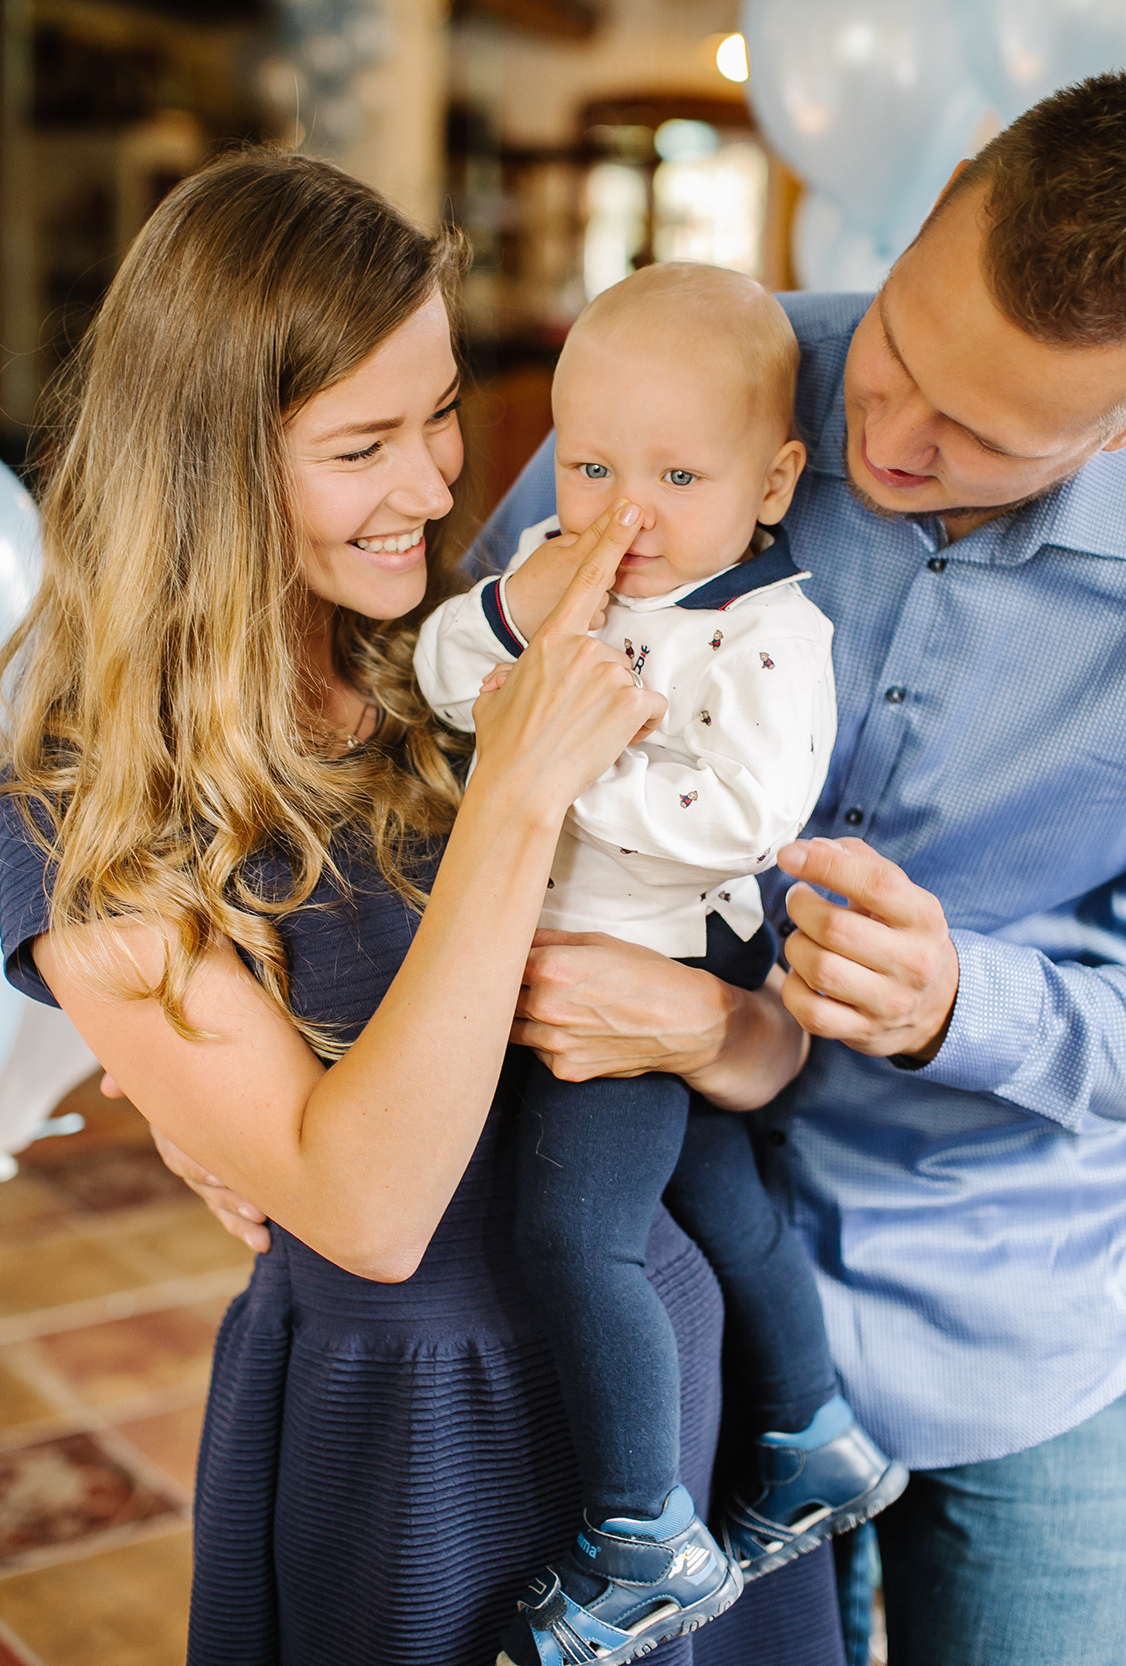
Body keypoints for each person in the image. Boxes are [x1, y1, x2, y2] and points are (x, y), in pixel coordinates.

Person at [0, 149, 849, 1666]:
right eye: (362, 444)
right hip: (417, 1438)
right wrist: (516, 799)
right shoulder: (82, 809)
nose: (439, 485)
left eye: (444, 410)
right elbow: (373, 1212)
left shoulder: (434, 648)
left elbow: (767, 1060)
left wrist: (715, 1025)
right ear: (205, 459)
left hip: (662, 1398)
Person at [454, 66, 1126, 1666]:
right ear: (925, 215)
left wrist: (964, 1005)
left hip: (1019, 1337)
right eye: (898, 352)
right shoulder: (711, 372)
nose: (883, 435)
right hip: (674, 1302)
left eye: (979, 436)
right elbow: (445, 715)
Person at [415, 264, 905, 1666]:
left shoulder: (767, 634)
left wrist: (550, 770)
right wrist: (520, 616)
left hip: (637, 977)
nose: (626, 512)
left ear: (773, 481)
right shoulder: (579, 576)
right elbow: (447, 673)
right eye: (590, 467)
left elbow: (742, 819)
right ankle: (812, 1440)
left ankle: (643, 1535)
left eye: (679, 474)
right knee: (727, 1209)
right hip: (572, 945)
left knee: (574, 1234)